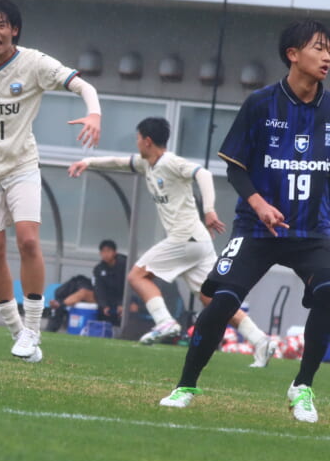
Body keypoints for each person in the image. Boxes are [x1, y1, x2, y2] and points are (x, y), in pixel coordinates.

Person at [158, 19, 330, 423]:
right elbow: (235, 167)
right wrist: (259, 204)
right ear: (293, 54)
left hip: (312, 231)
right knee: (222, 301)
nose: (327, 56)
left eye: (328, 48)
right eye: (319, 47)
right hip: (257, 228)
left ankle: (302, 386)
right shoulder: (260, 103)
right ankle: (185, 386)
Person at [0, 0, 102, 363]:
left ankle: (33, 327)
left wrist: (94, 113)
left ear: (15, 30)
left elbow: (83, 86)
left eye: (2, 25)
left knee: (28, 240)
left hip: (21, 165)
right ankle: (17, 331)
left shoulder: (35, 63)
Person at [69, 117, 275, 365]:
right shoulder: (146, 164)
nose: (136, 143)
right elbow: (118, 162)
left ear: (147, 141)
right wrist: (88, 162)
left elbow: (203, 174)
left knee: (137, 276)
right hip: (197, 243)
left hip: (186, 238)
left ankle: (165, 322)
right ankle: (260, 340)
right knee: (214, 300)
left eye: (137, 139)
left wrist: (209, 210)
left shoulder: (170, 162)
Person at [92, 239, 126, 326]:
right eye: (103, 252)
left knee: (132, 308)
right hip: (111, 299)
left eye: (108, 251)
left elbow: (130, 286)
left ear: (115, 252)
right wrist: (104, 305)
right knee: (102, 308)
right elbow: (99, 289)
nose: (105, 254)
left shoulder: (125, 265)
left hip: (126, 298)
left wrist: (122, 303)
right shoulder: (98, 269)